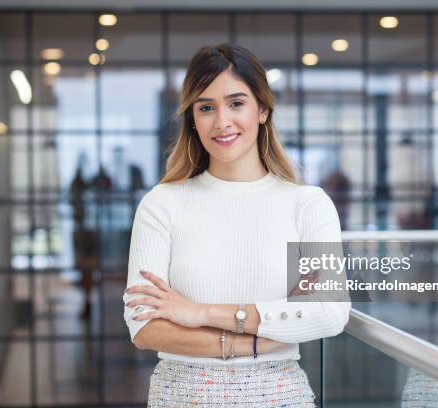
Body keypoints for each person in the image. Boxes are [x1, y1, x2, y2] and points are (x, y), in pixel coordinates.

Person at [122, 43, 351, 407]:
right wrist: (258, 339)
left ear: (262, 109)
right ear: (192, 119)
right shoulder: (162, 203)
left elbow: (329, 313)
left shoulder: (308, 205)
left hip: (280, 397)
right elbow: (145, 328)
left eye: (236, 103)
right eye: (206, 107)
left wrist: (199, 313)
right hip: (181, 396)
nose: (222, 121)